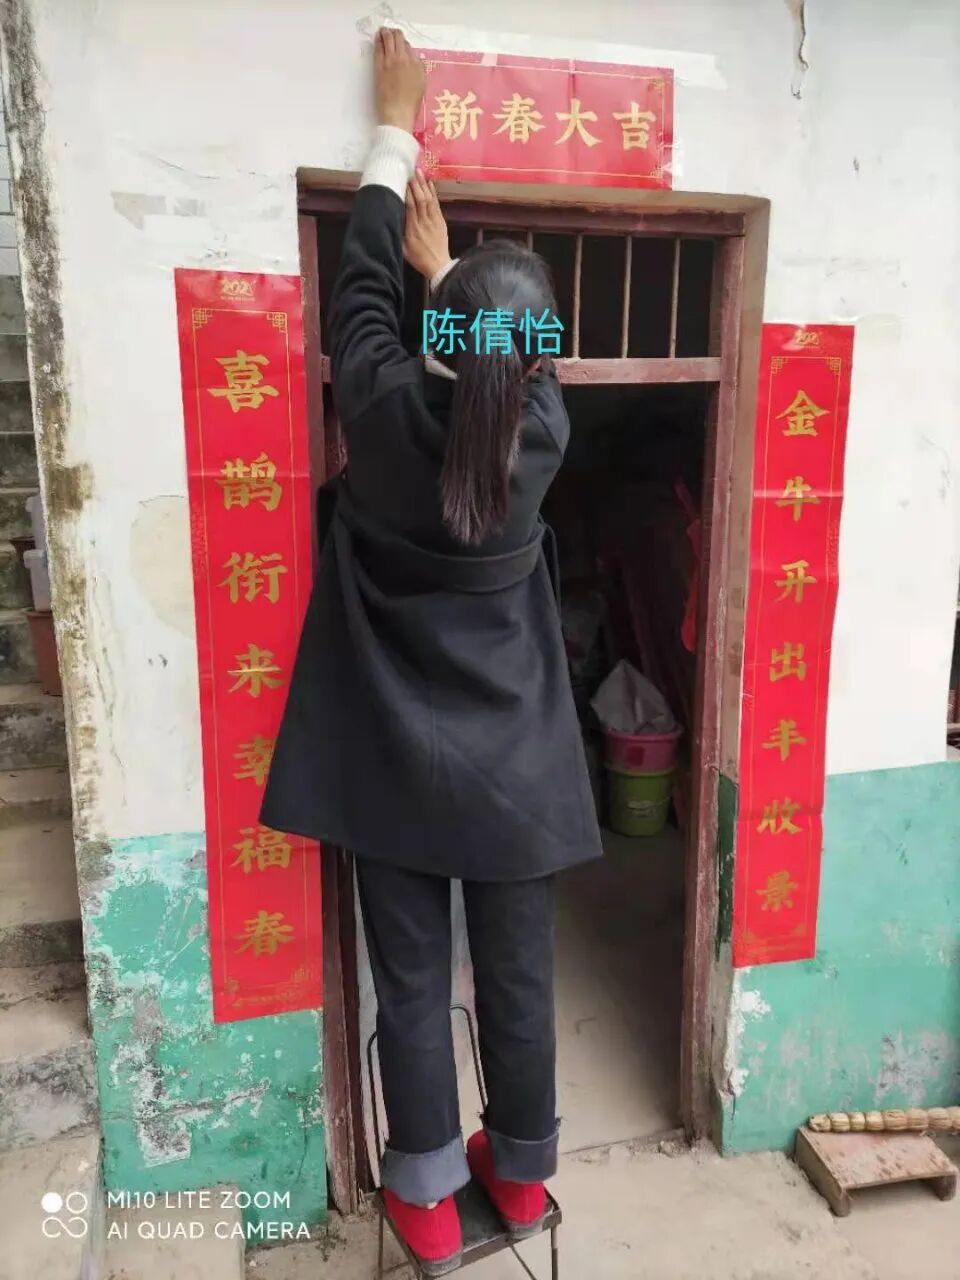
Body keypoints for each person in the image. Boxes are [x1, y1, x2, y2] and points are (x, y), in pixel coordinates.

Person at [262, 27, 602, 1276]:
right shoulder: (543, 436)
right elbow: (508, 362)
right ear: (531, 357)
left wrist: (393, 139)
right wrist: (454, 269)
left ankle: (421, 1196)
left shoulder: (379, 401)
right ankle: (520, 1174)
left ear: (435, 339)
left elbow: (357, 289)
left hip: (394, 761)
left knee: (411, 983)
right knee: (516, 977)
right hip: (516, 766)